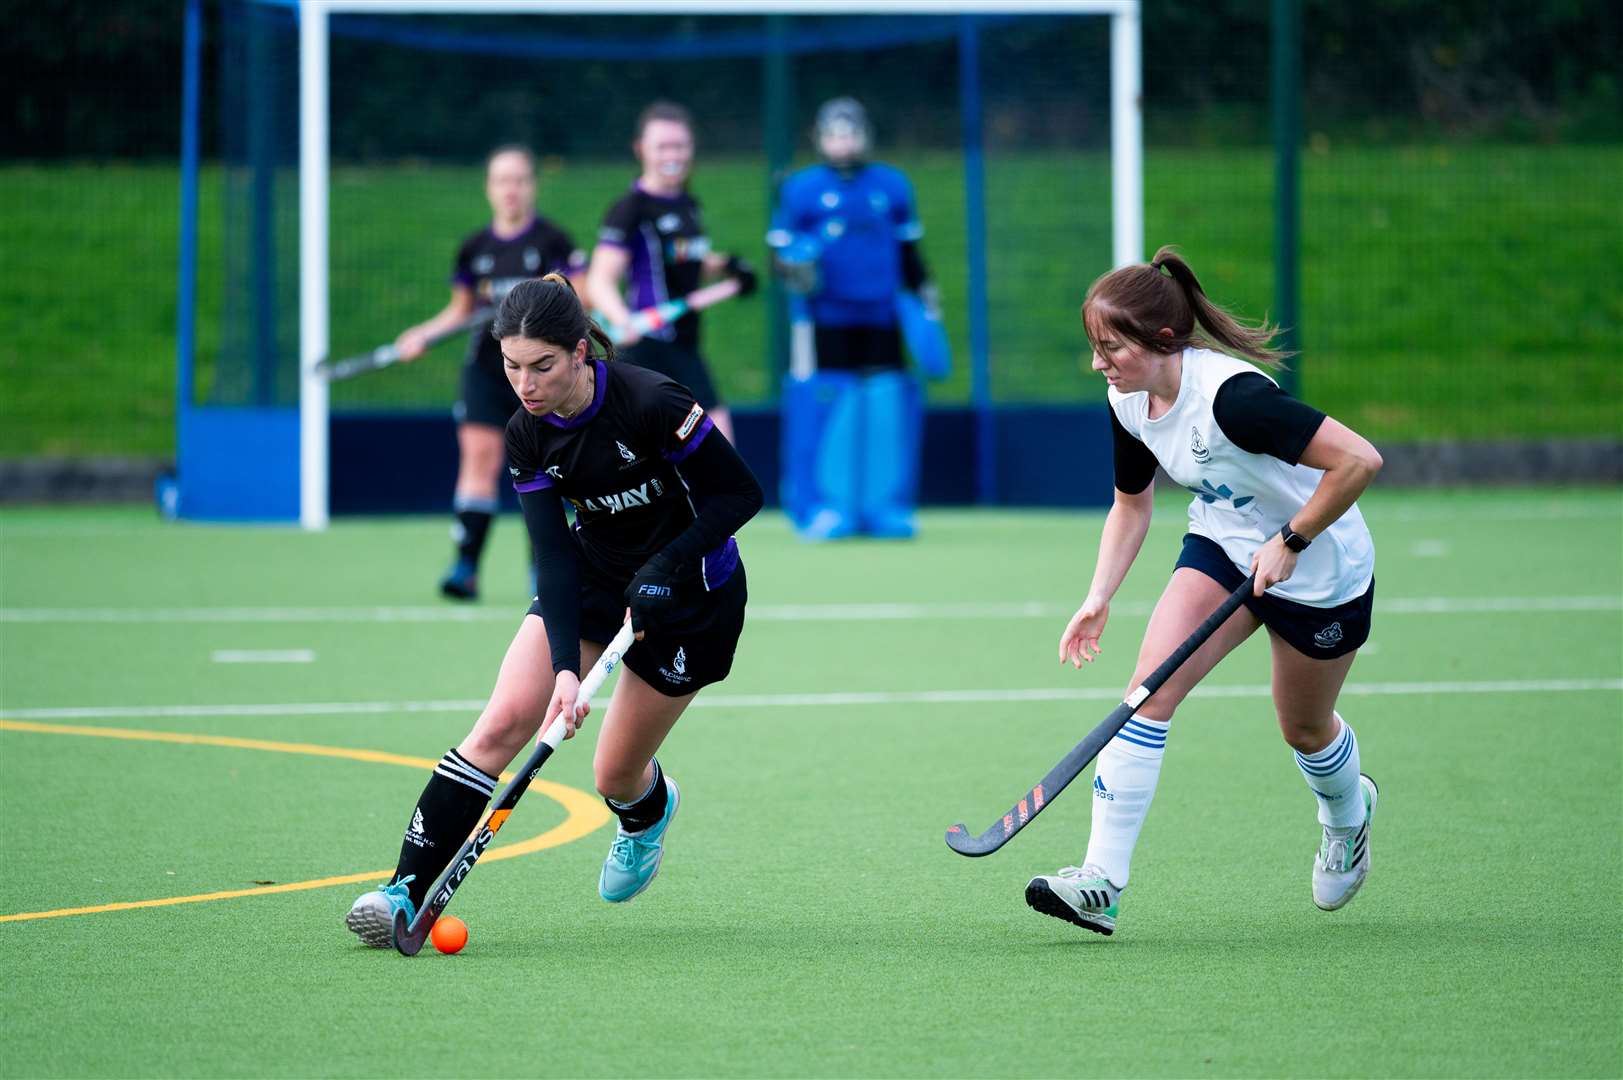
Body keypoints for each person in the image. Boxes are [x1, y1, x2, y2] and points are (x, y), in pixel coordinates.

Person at [346, 273, 763, 946]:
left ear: (579, 351)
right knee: (503, 721)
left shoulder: (651, 401)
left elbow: (738, 495)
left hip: (696, 596)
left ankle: (645, 815)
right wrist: (566, 669)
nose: (526, 385)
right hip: (595, 579)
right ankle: (403, 891)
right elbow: (553, 555)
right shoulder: (526, 434)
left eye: (541, 366)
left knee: (614, 774)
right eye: (512, 367)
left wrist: (666, 567)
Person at [1025, 246, 1384, 936]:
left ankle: (1347, 816)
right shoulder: (1127, 399)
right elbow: (1130, 504)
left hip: (1320, 569)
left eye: (1110, 347)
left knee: (1303, 727)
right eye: (1094, 348)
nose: (1099, 363)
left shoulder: (1234, 400)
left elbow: (1358, 460)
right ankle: (1101, 881)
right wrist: (1099, 595)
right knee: (1146, 694)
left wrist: (1293, 541)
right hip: (1222, 544)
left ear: (1161, 341)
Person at [393, 145, 586, 602]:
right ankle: (466, 565)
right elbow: (460, 312)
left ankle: (545, 571)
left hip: (543, 373)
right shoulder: (475, 249)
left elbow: (582, 297)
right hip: (486, 369)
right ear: (489, 188)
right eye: (502, 180)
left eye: (520, 179)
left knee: (552, 468)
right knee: (479, 460)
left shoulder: (553, 243)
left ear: (532, 185)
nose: (511, 190)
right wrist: (421, 333)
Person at [767, 97, 942, 541]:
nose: (843, 142)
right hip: (824, 318)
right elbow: (779, 260)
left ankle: (883, 506)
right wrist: (794, 265)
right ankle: (823, 507)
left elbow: (909, 255)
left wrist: (926, 303)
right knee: (826, 406)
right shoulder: (801, 189)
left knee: (884, 403)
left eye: (851, 133)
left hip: (882, 315)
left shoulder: (892, 185)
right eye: (834, 134)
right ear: (820, 138)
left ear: (865, 136)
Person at [586, 101, 756, 448]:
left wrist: (727, 267)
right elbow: (599, 279)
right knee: (651, 452)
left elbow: (682, 260)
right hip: (646, 346)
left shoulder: (688, 205)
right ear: (641, 150)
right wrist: (622, 322)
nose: (672, 154)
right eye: (662, 146)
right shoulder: (629, 210)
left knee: (719, 446)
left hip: (686, 346)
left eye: (679, 145)